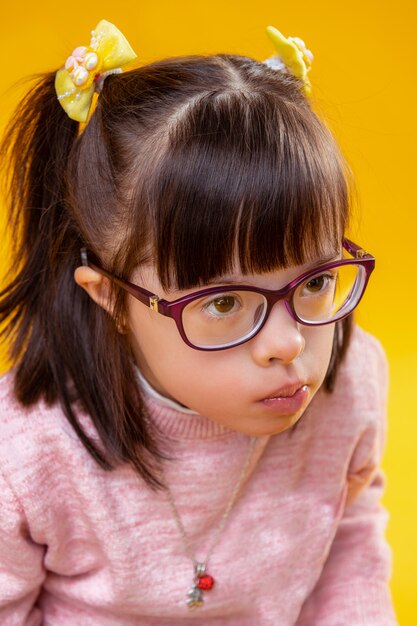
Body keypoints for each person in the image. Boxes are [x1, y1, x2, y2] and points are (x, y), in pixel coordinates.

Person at [0, 19, 398, 626]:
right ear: (110, 297)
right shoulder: (27, 455)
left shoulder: (351, 379)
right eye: (222, 303)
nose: (289, 343)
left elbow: (347, 537)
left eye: (315, 283)